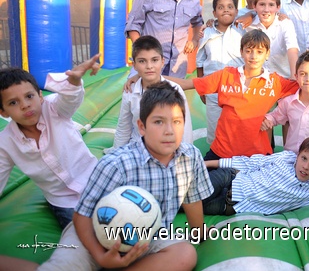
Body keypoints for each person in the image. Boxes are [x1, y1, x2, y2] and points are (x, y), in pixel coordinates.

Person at [2, 81, 214, 271]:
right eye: (158, 122)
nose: (169, 130)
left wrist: (201, 232)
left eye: (177, 122)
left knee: (185, 254)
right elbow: (82, 215)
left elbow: (192, 198)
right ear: (141, 127)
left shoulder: (190, 156)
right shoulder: (117, 163)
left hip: (147, 238)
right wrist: (101, 257)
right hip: (93, 233)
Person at [162, 29, 309, 161]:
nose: (253, 56)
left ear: (267, 54)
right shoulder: (226, 75)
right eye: (249, 51)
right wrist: (151, 75)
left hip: (258, 157)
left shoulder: (275, 82)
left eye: (259, 51)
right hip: (222, 152)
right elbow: (186, 84)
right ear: (241, 52)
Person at [0, 55, 100, 230]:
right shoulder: (6, 143)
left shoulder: (54, 108)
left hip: (95, 180)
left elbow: (70, 99)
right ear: (3, 112)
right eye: (13, 102)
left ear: (40, 96)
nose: (25, 105)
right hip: (63, 200)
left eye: (29, 96)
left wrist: (74, 81)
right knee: (82, 234)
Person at [202, 136, 309, 215]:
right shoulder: (286, 158)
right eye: (304, 158)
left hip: (230, 204)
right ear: (298, 155)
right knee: (192, 193)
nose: (305, 166)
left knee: (189, 206)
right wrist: (207, 164)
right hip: (230, 177)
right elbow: (249, 162)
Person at [124, 0, 204, 78]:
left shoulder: (194, 1)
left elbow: (198, 23)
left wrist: (194, 40)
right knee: (140, 96)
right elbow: (133, 24)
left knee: (171, 98)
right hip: (149, 64)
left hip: (177, 67)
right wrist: (142, 52)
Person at [113, 36, 193, 148]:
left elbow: (185, 128)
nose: (149, 66)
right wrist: (117, 155)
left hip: (168, 149)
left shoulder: (175, 90)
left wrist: (186, 156)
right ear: (134, 65)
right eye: (142, 61)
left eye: (154, 60)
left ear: (162, 62)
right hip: (138, 150)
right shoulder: (130, 92)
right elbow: (123, 128)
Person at [261, 49, 309, 154]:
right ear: (296, 77)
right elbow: (274, 117)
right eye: (303, 74)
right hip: (290, 159)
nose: (308, 79)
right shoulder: (288, 102)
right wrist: (266, 120)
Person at [196, 0, 244, 145]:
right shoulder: (206, 32)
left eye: (230, 7)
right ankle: (215, 161)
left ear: (236, 11)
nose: (226, 10)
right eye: (221, 7)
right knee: (214, 129)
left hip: (238, 90)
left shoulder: (242, 31)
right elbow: (200, 61)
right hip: (213, 91)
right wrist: (201, 87)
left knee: (237, 129)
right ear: (214, 12)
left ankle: (236, 164)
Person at [246, 0, 299, 78]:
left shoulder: (285, 23)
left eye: (271, 5)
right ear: (254, 6)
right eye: (262, 4)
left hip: (283, 78)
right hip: (257, 80)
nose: (266, 10)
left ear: (278, 7)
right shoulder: (248, 25)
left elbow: (292, 49)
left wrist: (294, 77)